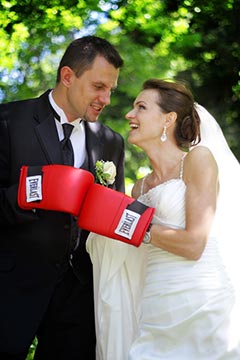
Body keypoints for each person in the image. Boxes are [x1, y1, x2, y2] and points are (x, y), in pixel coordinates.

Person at [86, 79, 240, 359]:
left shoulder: (198, 160)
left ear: (168, 119)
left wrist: (132, 223)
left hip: (202, 300)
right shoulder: (139, 188)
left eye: (141, 107)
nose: (129, 115)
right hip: (155, 306)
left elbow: (194, 245)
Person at [0, 35, 125, 360]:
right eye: (99, 86)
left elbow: (112, 208)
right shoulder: (8, 122)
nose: (106, 98)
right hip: (12, 285)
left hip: (78, 294)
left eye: (110, 89)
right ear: (68, 76)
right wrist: (28, 196)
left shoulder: (111, 142)